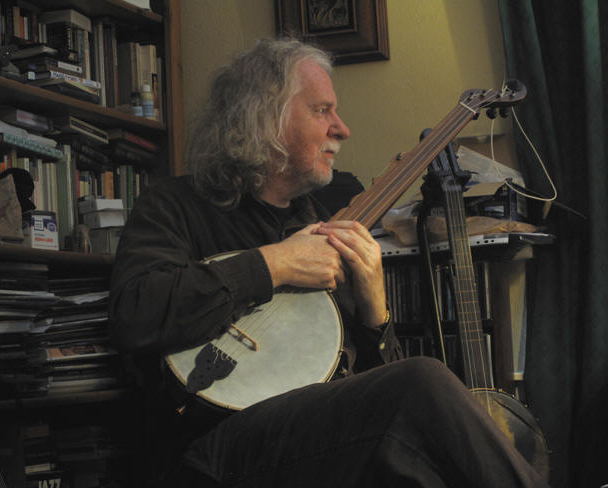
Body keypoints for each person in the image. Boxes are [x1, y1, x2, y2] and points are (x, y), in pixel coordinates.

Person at [108, 38, 549, 487]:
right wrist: (274, 264)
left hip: (316, 441)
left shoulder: (323, 224)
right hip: (209, 447)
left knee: (420, 460)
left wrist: (375, 314)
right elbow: (135, 313)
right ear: (263, 118)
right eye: (322, 110)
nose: (342, 129)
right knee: (421, 382)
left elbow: (374, 397)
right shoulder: (173, 205)